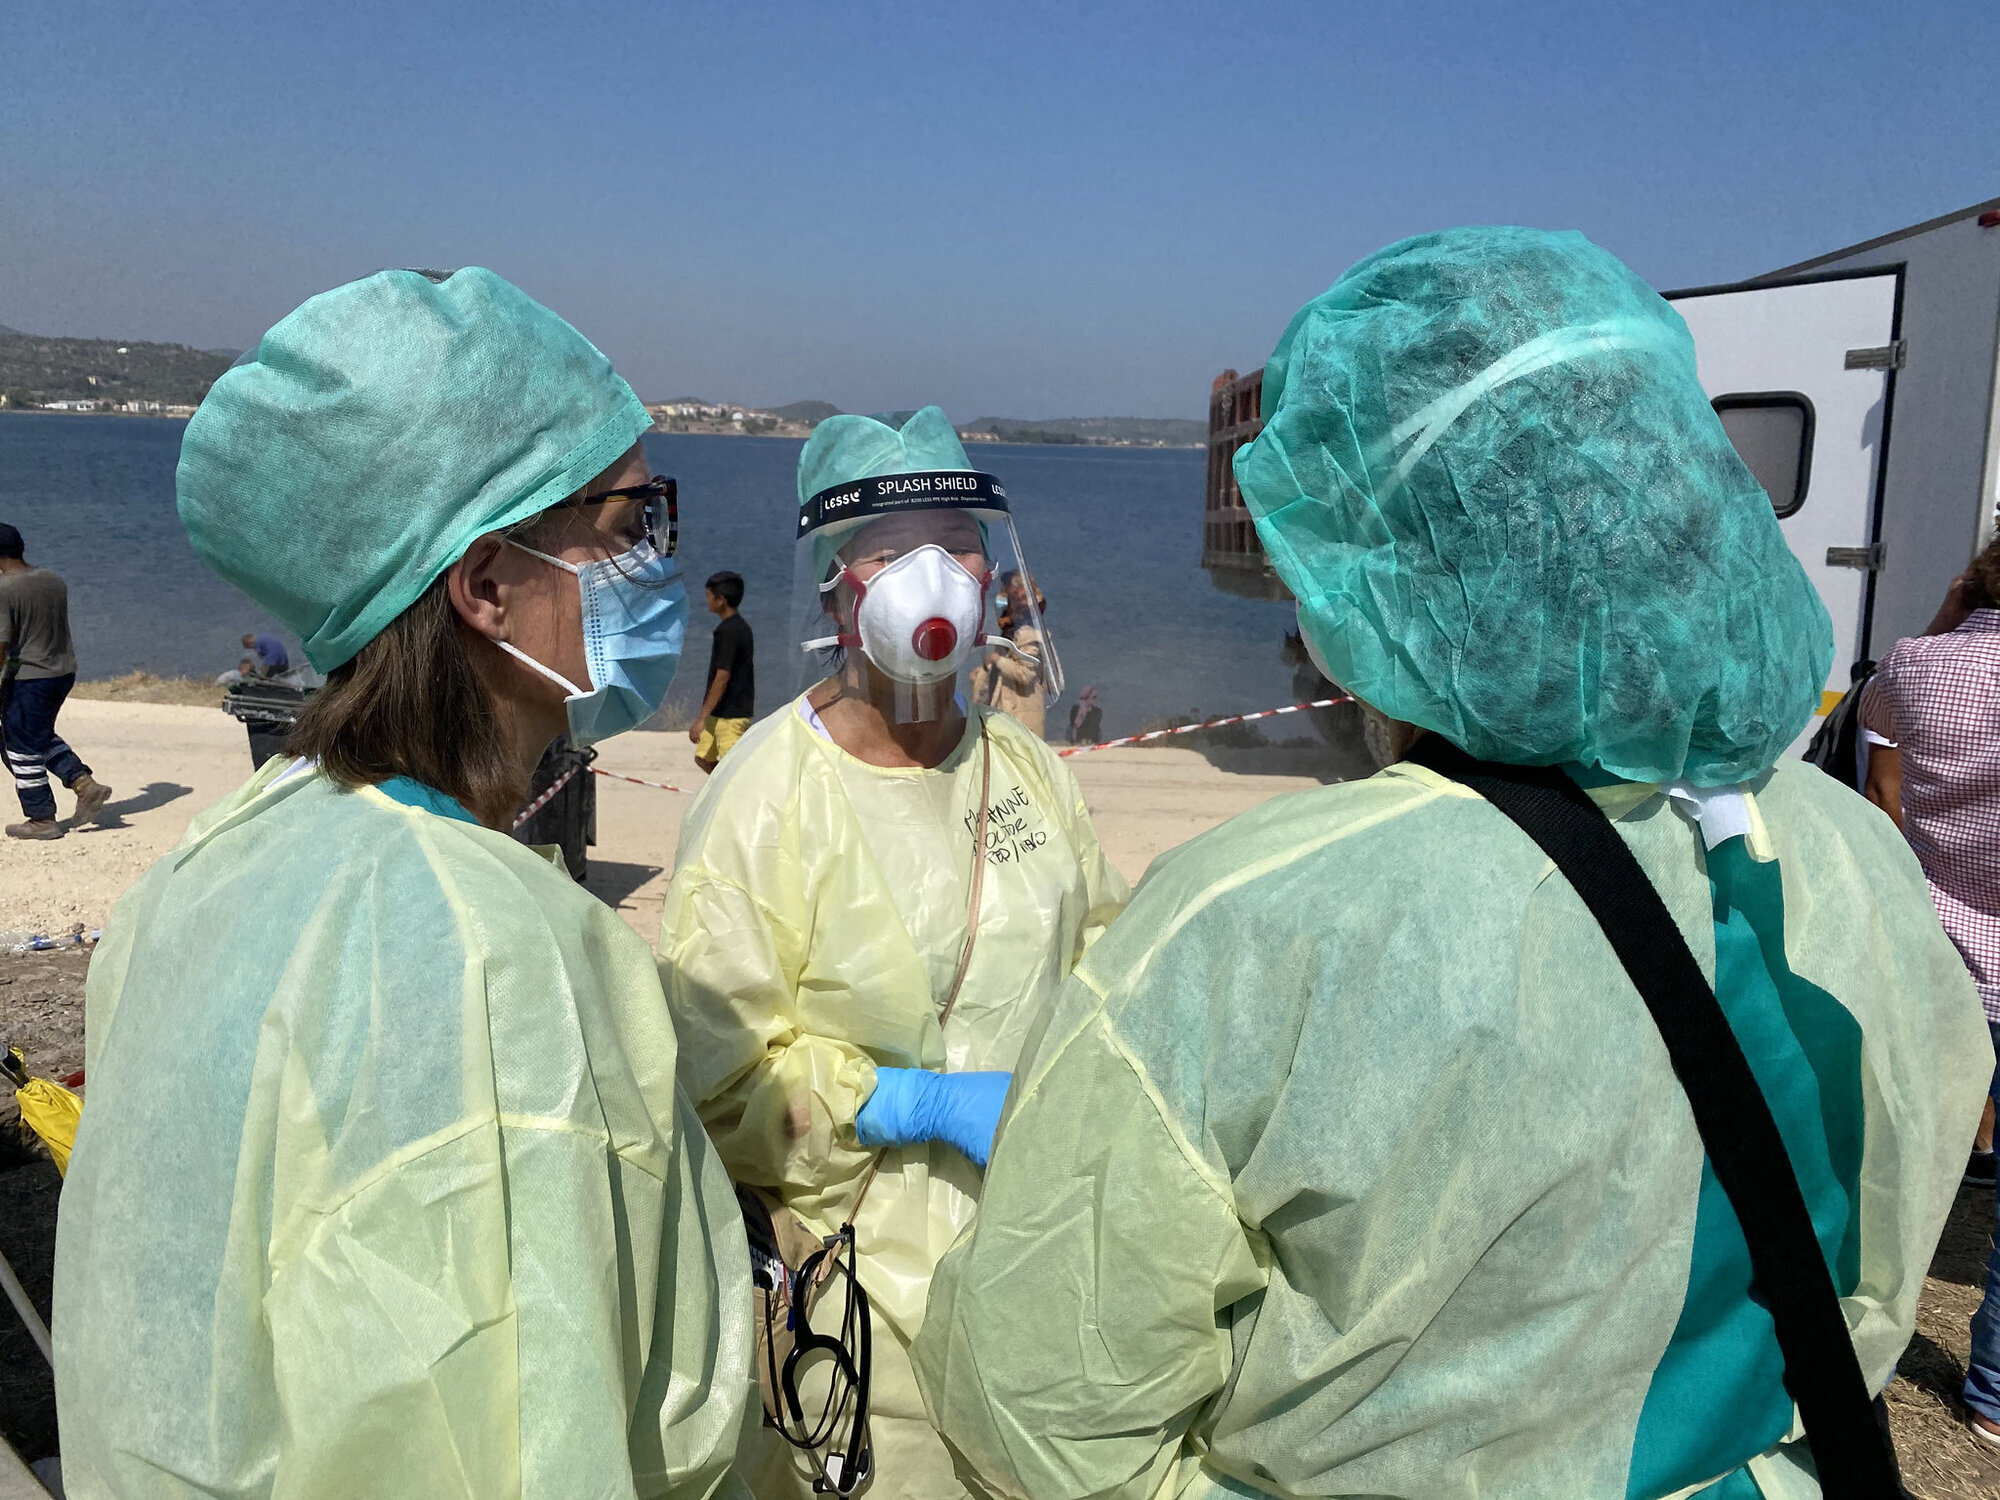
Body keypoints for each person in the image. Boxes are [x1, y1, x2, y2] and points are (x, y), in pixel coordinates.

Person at [911, 228, 1993, 1498]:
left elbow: (1042, 1417)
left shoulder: (1260, 921)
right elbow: (1880, 1254)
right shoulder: (1852, 855)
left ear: (1377, 567)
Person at [52, 267, 750, 1499]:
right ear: (485, 587)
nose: (655, 561)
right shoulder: (492, 953)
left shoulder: (211, 864)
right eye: (629, 520)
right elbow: (523, 1440)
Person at [659, 406, 1127, 1499]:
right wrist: (907, 1102)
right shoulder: (765, 797)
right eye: (887, 549)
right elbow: (717, 1077)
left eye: (958, 541)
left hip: (1038, 1265)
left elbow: (1107, 965)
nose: (933, 576)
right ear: (835, 590)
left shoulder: (1025, 772)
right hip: (850, 1315)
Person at [1858, 536, 2000, 1448]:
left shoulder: (1920, 665)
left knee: (1901, 1165)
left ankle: (1859, 1336)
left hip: (1943, 959)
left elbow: (1875, 714)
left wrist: (1946, 620)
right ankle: (1993, 1393)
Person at [0, 523, 113, 839]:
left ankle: (41, 818)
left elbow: (2, 643)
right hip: (62, 672)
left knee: (19, 745)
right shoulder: (53, 579)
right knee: (35, 734)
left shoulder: (4, 589)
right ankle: (83, 784)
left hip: (30, 677)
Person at [691, 569, 754, 772]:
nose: (706, 601)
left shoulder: (730, 631)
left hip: (732, 715)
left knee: (732, 768)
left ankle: (735, 790)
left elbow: (722, 675)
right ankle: (721, 788)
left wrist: (702, 717)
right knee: (703, 757)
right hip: (718, 711)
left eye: (709, 596)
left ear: (721, 600)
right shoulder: (731, 628)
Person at [971, 569, 1046, 737]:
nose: (1000, 597)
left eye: (1004, 592)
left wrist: (997, 659)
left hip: (1022, 721)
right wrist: (983, 674)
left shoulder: (1029, 635)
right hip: (1007, 715)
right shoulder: (1010, 632)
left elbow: (1025, 674)